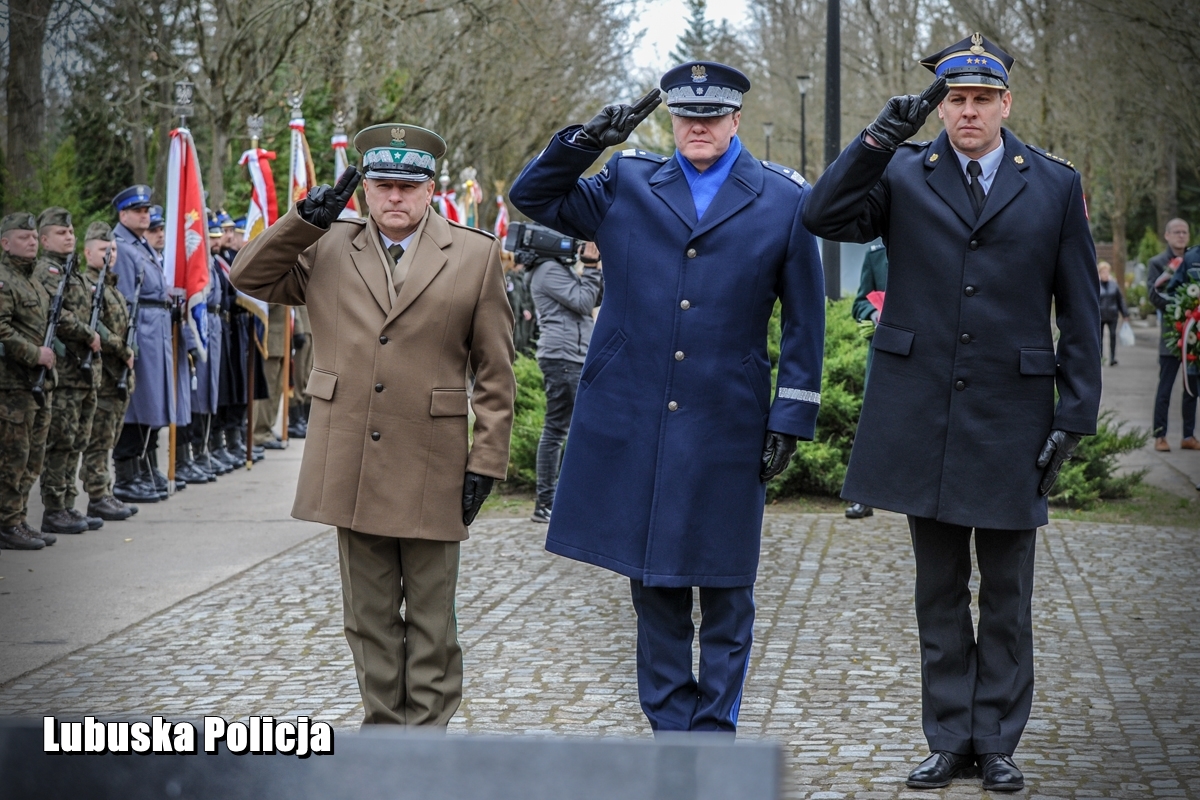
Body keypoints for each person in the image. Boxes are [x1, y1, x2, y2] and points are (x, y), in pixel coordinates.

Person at [804, 34, 1101, 792]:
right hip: (921, 411)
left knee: (1006, 593)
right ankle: (947, 737)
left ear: (1006, 104)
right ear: (941, 108)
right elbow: (823, 214)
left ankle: (995, 740)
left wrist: (1076, 414)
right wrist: (878, 137)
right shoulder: (903, 171)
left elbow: (1080, 309)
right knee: (937, 590)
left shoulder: (1054, 184)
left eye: (981, 100)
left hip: (1013, 415)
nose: (968, 112)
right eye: (956, 100)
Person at [509, 62, 825, 734]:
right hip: (637, 414)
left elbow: (805, 320)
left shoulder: (782, 199)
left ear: (736, 118)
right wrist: (585, 143)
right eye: (686, 115)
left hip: (728, 418)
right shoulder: (626, 182)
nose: (698, 126)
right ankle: (672, 732)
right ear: (672, 119)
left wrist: (791, 416)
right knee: (653, 585)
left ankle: (713, 734)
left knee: (729, 587)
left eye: (711, 115)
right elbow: (532, 195)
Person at [230, 123, 515, 727]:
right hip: (351, 456)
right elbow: (247, 277)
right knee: (369, 618)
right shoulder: (327, 245)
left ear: (430, 188)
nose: (394, 197)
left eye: (408, 186)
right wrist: (301, 222)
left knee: (433, 621)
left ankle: (425, 741)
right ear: (363, 189)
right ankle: (384, 737)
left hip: (433, 460)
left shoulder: (474, 254)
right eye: (383, 185)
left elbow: (495, 372)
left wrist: (487, 460)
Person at [110, 185, 189, 501]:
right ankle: (127, 476)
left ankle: (145, 467)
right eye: (138, 211)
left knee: (153, 402)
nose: (145, 215)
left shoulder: (141, 244)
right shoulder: (122, 247)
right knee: (136, 405)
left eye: (146, 210)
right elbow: (124, 299)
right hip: (140, 330)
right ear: (123, 215)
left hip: (155, 328)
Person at [33, 207, 103, 535]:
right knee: (60, 442)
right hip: (64, 372)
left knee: (76, 440)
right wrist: (88, 334)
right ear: (44, 239)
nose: (69, 237)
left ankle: (68, 503)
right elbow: (56, 314)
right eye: (61, 233)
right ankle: (54, 508)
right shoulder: (46, 271)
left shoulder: (70, 270)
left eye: (72, 232)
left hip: (82, 372)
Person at [528, 239, 603, 523]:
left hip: (571, 355)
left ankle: (551, 502)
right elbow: (584, 302)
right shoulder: (548, 269)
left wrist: (598, 267)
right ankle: (547, 503)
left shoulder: (556, 268)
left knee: (561, 429)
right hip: (563, 357)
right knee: (560, 430)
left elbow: (595, 296)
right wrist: (591, 266)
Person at [0, 212, 55, 550]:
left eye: (34, 237)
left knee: (33, 458)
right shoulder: (4, 280)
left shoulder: (33, 279)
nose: (32, 241)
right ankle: (7, 524)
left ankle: (19, 519)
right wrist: (35, 354)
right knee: (13, 458)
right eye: (24, 237)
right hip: (13, 385)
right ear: (5, 243)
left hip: (39, 383)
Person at [78, 222, 138, 520]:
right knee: (99, 439)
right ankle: (98, 495)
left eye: (112, 249)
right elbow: (95, 326)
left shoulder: (111, 286)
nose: (109, 254)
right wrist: (123, 349)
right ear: (87, 252)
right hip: (102, 374)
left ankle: (105, 491)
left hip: (117, 376)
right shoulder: (87, 286)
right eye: (103, 249)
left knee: (109, 436)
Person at [845, 242, 888, 520]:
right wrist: (873, 313)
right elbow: (860, 302)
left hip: (927, 354)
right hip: (883, 352)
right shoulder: (876, 255)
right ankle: (862, 497)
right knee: (871, 424)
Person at [1147, 218, 1198, 451]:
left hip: (1194, 338)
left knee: (1191, 389)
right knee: (1165, 388)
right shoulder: (1157, 263)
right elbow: (1154, 294)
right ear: (1167, 235)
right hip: (1171, 336)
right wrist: (1182, 309)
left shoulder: (1194, 259)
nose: (1181, 235)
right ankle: (1160, 436)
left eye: (1184, 232)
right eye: (1176, 232)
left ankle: (1188, 436)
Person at [1097, 261, 1128, 366]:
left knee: (1113, 336)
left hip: (1112, 315)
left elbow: (1120, 300)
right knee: (1099, 337)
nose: (1105, 274)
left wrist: (1125, 314)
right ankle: (1100, 357)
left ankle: (1112, 357)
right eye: (1103, 272)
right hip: (1100, 315)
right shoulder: (1096, 285)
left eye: (1107, 272)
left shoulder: (1114, 285)